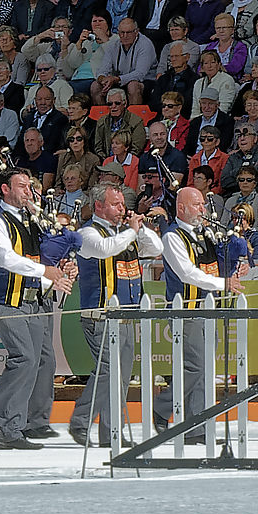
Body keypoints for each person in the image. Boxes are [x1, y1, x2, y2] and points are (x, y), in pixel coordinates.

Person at [0, 168, 74, 448]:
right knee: (25, 360)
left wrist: (59, 266)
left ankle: (16, 424)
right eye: (22, 186)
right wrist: (46, 270)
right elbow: (7, 259)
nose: (28, 190)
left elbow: (50, 248)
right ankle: (0, 421)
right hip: (9, 300)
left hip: (34, 299)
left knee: (36, 362)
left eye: (30, 185)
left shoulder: (32, 219)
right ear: (5, 189)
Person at [70, 183, 161, 447]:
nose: (122, 209)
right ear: (99, 206)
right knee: (108, 373)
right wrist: (131, 232)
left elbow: (156, 248)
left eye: (122, 204)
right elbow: (105, 249)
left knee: (120, 378)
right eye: (115, 204)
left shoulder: (126, 233)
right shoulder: (87, 233)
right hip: (100, 315)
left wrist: (139, 228)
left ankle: (112, 431)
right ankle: (81, 420)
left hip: (126, 316)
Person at [159, 186, 250, 444]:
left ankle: (196, 427)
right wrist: (223, 283)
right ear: (181, 208)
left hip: (208, 310)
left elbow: (218, 264)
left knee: (205, 370)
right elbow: (187, 273)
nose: (203, 209)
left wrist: (235, 269)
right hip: (187, 311)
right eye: (197, 204)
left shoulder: (206, 234)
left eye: (202, 204)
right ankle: (164, 407)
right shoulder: (172, 237)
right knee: (197, 368)